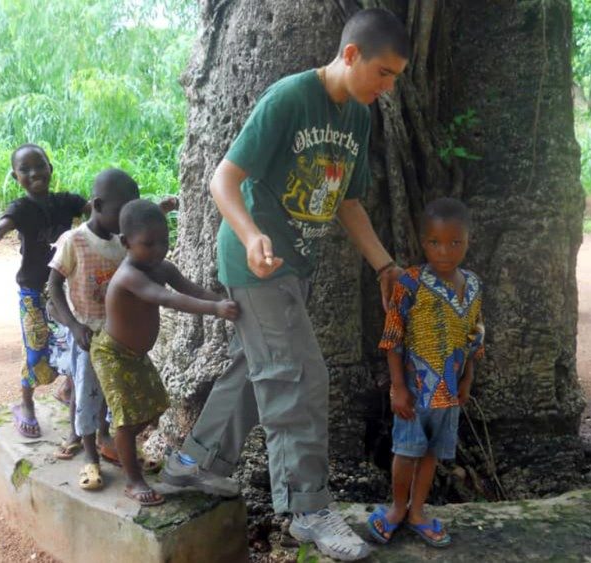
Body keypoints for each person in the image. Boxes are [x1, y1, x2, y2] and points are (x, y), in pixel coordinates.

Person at [159, 8, 410, 561]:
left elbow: (347, 202)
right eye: (384, 73)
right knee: (298, 375)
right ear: (351, 56)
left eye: (396, 77)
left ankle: (194, 464)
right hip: (256, 263)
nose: (388, 87)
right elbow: (223, 178)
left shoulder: (359, 118)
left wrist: (385, 266)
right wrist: (250, 236)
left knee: (256, 368)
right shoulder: (289, 99)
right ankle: (308, 511)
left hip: (293, 265)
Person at [90, 199, 239, 506]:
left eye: (164, 242)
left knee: (154, 407)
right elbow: (166, 298)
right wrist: (215, 309)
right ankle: (132, 479)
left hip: (135, 356)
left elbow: (191, 289)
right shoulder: (129, 275)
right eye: (149, 243)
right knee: (128, 420)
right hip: (113, 355)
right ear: (126, 243)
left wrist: (222, 302)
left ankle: (121, 448)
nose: (159, 249)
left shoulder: (162, 267)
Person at [366, 197, 484, 547]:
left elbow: (474, 333)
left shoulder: (474, 285)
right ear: (422, 242)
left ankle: (418, 511)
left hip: (449, 394)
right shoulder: (411, 282)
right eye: (434, 242)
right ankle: (396, 508)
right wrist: (397, 387)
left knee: (432, 452)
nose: (444, 251)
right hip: (415, 394)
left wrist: (468, 377)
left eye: (454, 243)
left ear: (467, 241)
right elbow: (393, 336)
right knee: (407, 450)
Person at [47, 169, 175, 490]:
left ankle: (107, 441)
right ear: (98, 205)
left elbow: (142, 227)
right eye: (123, 210)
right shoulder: (74, 241)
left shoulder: (123, 239)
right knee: (87, 395)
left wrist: (160, 210)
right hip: (87, 335)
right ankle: (89, 457)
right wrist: (73, 324)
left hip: (117, 338)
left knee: (114, 398)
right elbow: (53, 285)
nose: (128, 217)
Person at [0, 143, 88, 438]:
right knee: (36, 349)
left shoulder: (66, 202)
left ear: (50, 169)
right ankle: (25, 403)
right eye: (24, 169)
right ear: (16, 177)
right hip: (33, 293)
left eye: (39, 165)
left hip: (65, 289)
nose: (34, 173)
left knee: (75, 340)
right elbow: (4, 224)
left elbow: (101, 210)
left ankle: (68, 389)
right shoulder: (22, 208)